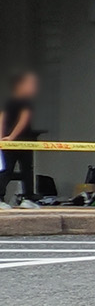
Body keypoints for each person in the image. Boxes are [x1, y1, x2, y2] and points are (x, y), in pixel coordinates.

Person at [2, 69, 35, 207]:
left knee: (11, 169)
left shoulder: (9, 102)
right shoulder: (23, 102)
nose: (32, 87)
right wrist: (11, 138)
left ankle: (27, 199)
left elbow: (1, 120)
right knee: (16, 170)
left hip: (14, 141)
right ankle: (26, 197)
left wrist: (3, 138)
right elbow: (24, 120)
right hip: (20, 141)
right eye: (29, 84)